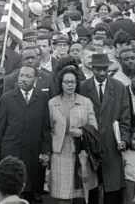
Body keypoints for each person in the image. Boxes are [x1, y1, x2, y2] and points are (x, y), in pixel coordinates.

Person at [0, 65, 52, 203]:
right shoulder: (7, 98)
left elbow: (46, 128)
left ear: (35, 79)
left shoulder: (42, 98)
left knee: (31, 190)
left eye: (28, 76)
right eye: (21, 75)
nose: (23, 79)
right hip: (11, 151)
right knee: (11, 190)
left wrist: (46, 151)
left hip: (33, 153)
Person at [80, 53, 131, 204]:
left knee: (113, 190)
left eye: (105, 69)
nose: (102, 73)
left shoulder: (119, 87)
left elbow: (125, 117)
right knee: (92, 189)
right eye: (98, 69)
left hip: (112, 144)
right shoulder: (83, 87)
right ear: (92, 69)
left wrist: (124, 140)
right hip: (91, 145)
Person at [48, 66, 99, 203]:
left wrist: (82, 131)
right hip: (59, 152)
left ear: (77, 83)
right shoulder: (52, 103)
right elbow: (48, 128)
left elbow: (94, 125)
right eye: (66, 82)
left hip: (80, 151)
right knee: (62, 193)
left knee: (80, 193)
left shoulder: (85, 102)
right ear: (61, 83)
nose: (70, 85)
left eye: (73, 82)